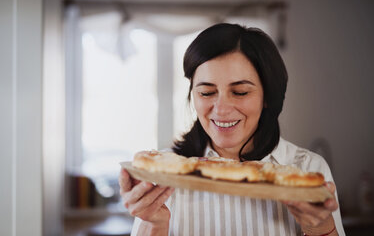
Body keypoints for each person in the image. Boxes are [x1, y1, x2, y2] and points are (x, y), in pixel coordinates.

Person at [119, 23, 345, 236]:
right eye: (206, 93)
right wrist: (153, 225)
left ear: (267, 96)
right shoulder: (160, 175)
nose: (222, 109)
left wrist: (321, 228)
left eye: (240, 92)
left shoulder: (308, 169)